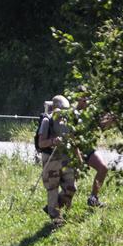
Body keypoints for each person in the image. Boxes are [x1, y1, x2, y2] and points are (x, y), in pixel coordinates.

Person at [36, 94, 91, 224]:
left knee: (71, 187)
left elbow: (73, 140)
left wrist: (79, 158)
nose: (63, 114)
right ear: (55, 109)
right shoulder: (46, 121)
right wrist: (53, 141)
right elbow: (41, 143)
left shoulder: (67, 122)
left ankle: (52, 208)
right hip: (51, 159)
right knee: (52, 189)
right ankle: (56, 219)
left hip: (66, 158)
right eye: (61, 110)